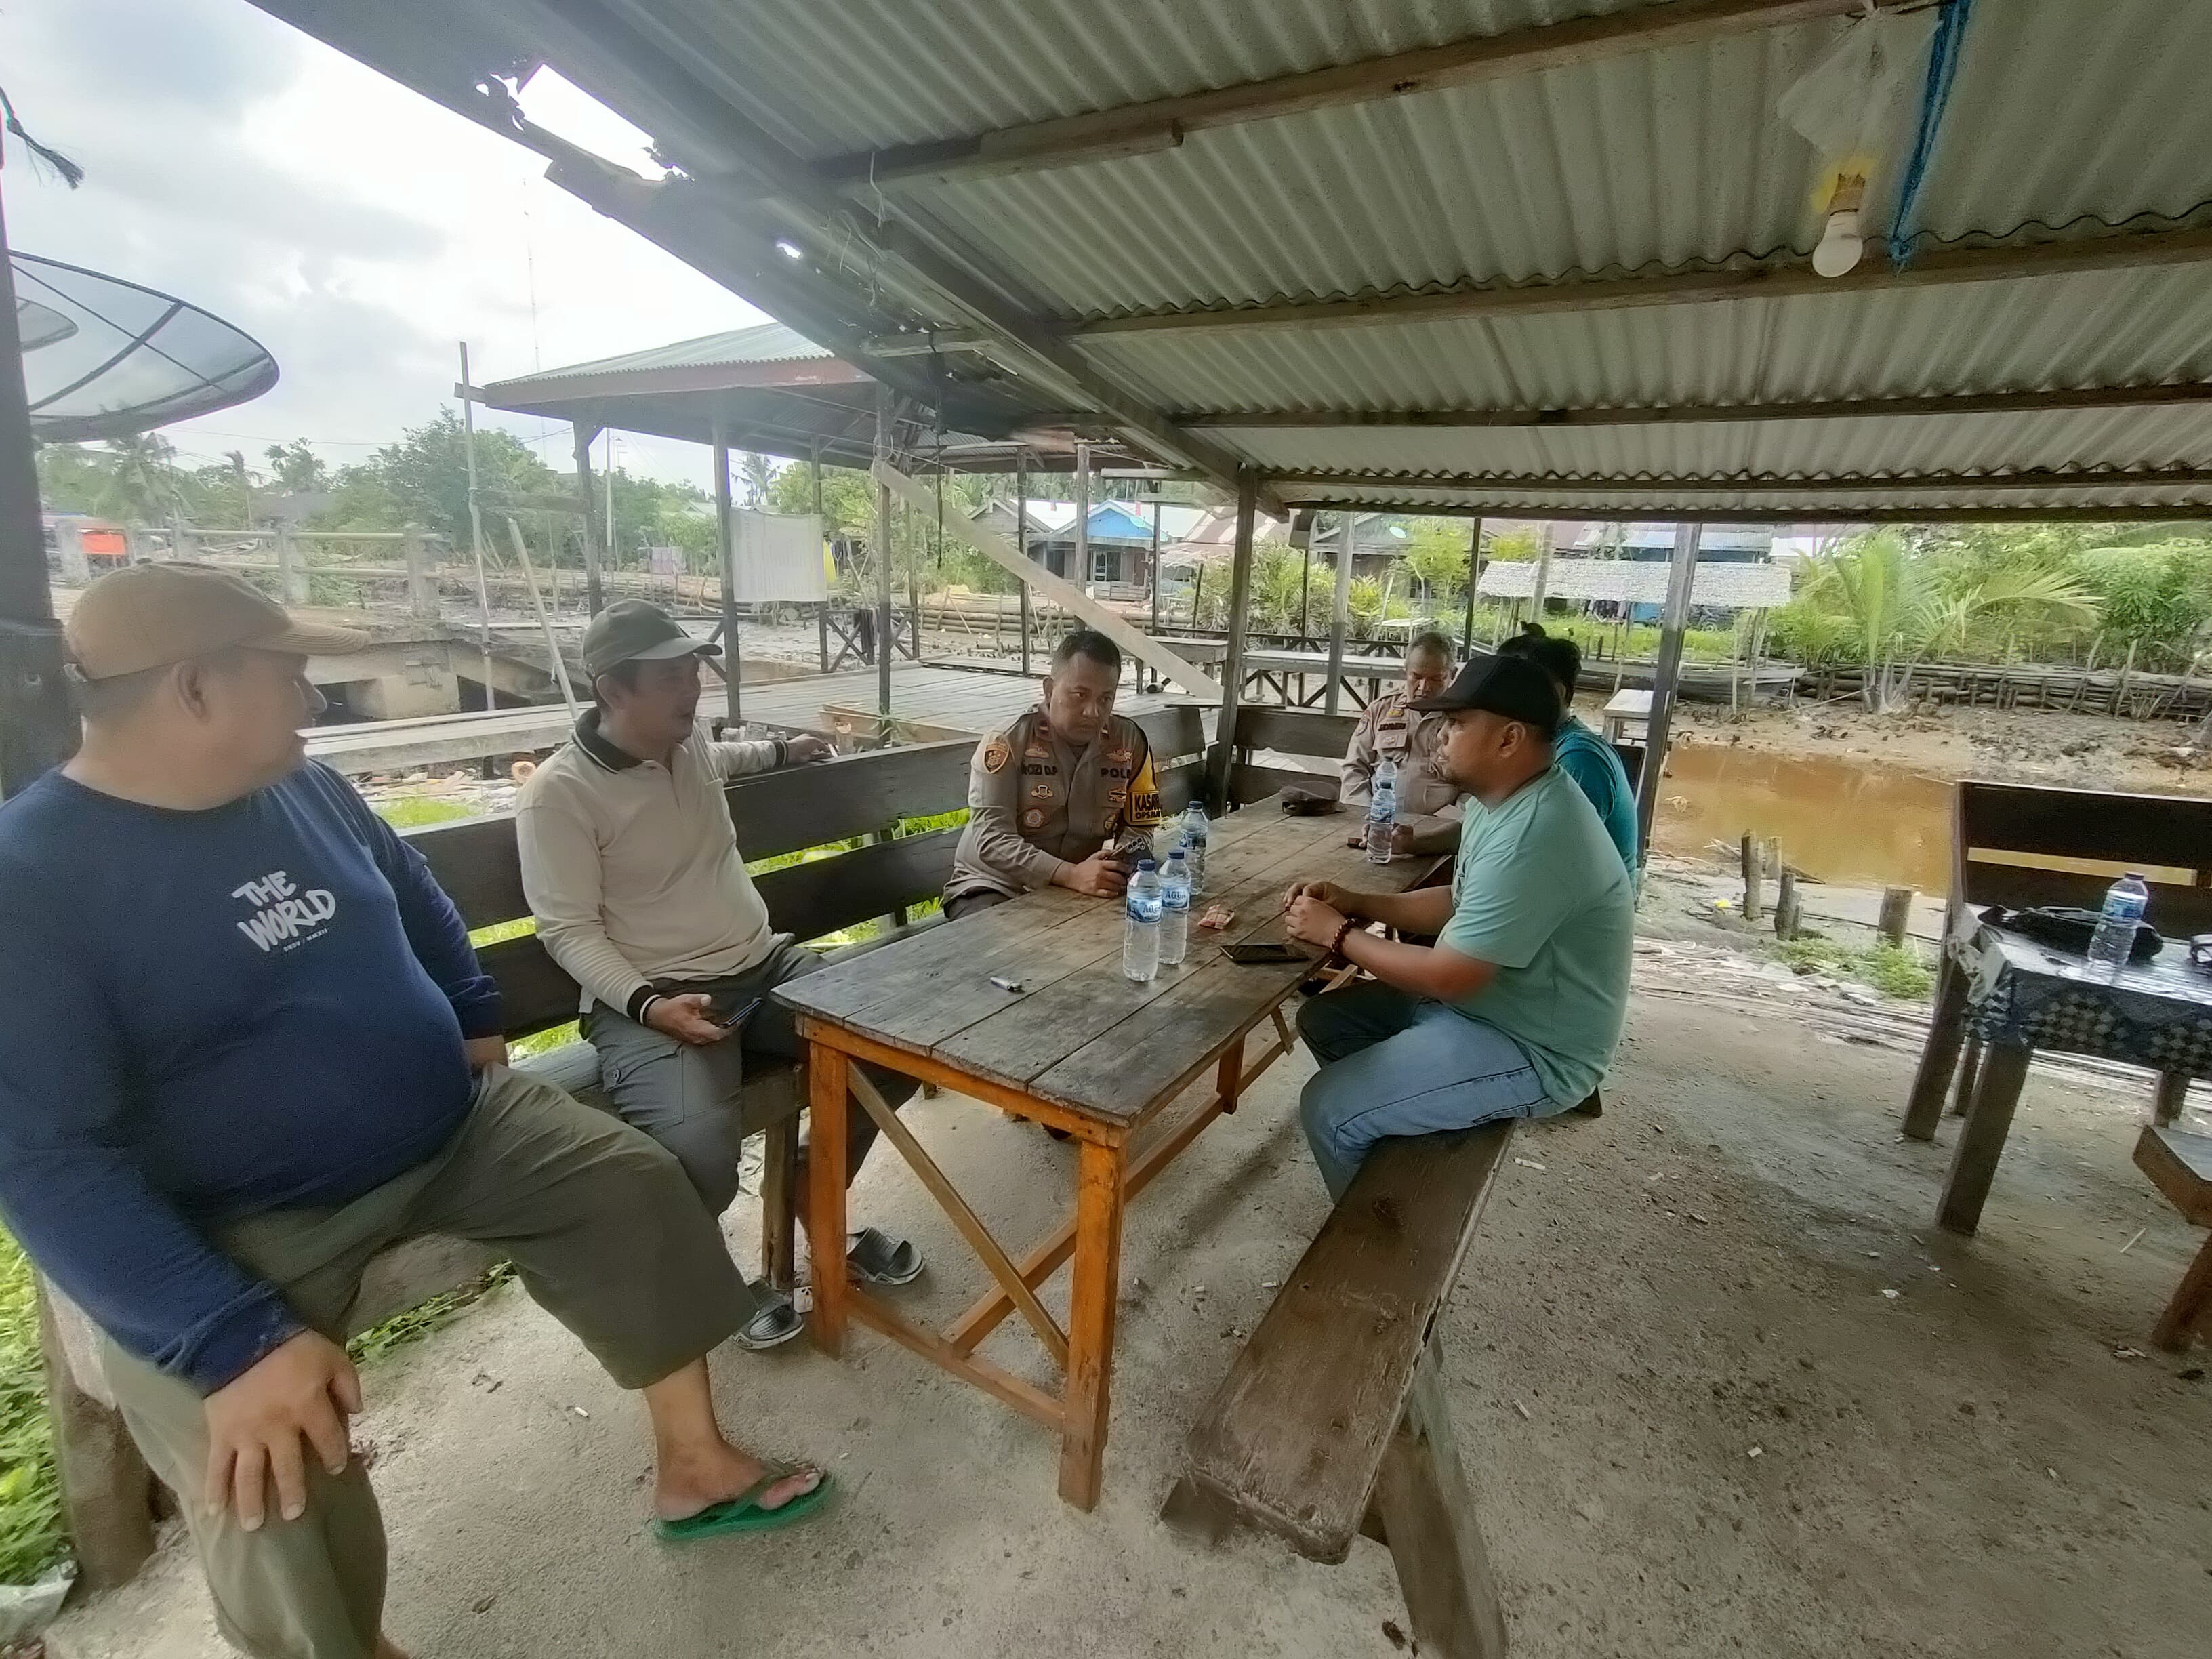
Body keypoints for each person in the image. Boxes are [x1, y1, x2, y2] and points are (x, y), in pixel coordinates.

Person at [0, 565, 828, 1659]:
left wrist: (475, 1009)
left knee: (633, 1186)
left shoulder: (306, 787)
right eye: (291, 676)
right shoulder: (33, 875)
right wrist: (228, 1336)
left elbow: (418, 897)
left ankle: (694, 1467)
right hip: (238, 1215)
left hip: (456, 1121)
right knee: (263, 1444)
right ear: (195, 689)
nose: (313, 700)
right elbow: (47, 1160)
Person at [517, 600, 923, 1350]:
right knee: (699, 1153)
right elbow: (566, 930)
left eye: (692, 669)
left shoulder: (686, 743)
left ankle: (815, 1195)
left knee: (895, 1047)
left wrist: (781, 752)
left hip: (764, 965)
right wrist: (649, 1004)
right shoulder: (559, 794)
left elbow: (720, 764)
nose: (693, 686)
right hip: (654, 997)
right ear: (613, 690)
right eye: (671, 675)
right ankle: (704, 1285)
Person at [1284, 655, 1634, 1196]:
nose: (1441, 735)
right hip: (1490, 1010)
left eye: (1458, 722)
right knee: (1329, 1019)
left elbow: (1451, 976)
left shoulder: (1538, 830)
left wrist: (1338, 935)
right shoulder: (1505, 802)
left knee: (1328, 1108)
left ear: (1509, 738)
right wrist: (1359, 901)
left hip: (1534, 1047)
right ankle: (1395, 1141)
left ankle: (1381, 1249)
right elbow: (1462, 902)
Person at [941, 628, 1164, 920]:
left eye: (1105, 699)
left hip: (1075, 890)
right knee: (1006, 956)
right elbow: (991, 839)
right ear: (1049, 689)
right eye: (1080, 695)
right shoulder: (1008, 742)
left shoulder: (1130, 742)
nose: (1092, 712)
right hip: (994, 887)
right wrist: (1069, 874)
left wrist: (1119, 861)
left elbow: (1142, 824)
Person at [1497, 623, 1639, 876]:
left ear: (1557, 693)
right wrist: (1423, 839)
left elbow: (1550, 857)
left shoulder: (1579, 758)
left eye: (1515, 685)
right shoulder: (1542, 746)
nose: (1498, 696)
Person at [1338, 629, 1464, 848]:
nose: (1424, 688)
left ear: (1452, 674)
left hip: (1438, 830)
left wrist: (1446, 821)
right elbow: (1354, 768)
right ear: (1405, 671)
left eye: (1436, 679)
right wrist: (1366, 813)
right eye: (1416, 677)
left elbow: (1476, 782)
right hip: (1374, 824)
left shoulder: (1463, 718)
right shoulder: (1381, 710)